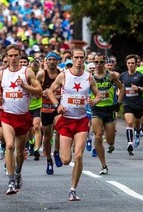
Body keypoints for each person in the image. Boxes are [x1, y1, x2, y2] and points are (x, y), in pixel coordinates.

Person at [45, 48, 101, 201]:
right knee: (65, 160)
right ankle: (60, 150)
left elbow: (98, 96)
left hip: (81, 120)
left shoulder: (89, 78)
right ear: (72, 58)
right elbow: (50, 91)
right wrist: (57, 105)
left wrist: (94, 101)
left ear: (84, 59)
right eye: (76, 57)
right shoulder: (64, 75)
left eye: (81, 57)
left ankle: (73, 189)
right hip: (66, 120)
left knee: (79, 155)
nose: (79, 60)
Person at [0, 44, 43, 195]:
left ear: (20, 56)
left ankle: (18, 173)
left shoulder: (27, 72)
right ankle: (11, 181)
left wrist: (26, 87)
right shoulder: (1, 74)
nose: (13, 58)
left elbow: (39, 91)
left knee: (20, 153)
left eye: (16, 55)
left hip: (23, 117)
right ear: (6, 58)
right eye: (10, 56)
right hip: (7, 116)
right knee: (9, 146)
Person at [90, 53, 124, 174]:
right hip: (96, 109)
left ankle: (111, 143)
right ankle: (103, 165)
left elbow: (122, 88)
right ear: (93, 63)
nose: (99, 65)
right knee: (98, 136)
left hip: (109, 110)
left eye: (101, 62)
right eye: (96, 62)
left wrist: (118, 103)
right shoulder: (90, 76)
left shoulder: (111, 75)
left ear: (105, 63)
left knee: (110, 141)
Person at [119, 54, 143, 155]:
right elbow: (119, 87)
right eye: (129, 63)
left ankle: (138, 132)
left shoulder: (141, 76)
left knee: (137, 124)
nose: (131, 65)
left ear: (136, 64)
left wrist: (139, 89)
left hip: (138, 104)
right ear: (126, 64)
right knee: (129, 122)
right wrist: (119, 93)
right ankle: (130, 143)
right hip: (127, 103)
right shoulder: (123, 76)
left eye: (132, 63)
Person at [36, 51, 63, 175]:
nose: (52, 62)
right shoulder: (42, 74)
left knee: (60, 130)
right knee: (47, 137)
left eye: (54, 60)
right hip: (46, 108)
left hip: (58, 107)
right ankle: (48, 160)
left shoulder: (62, 74)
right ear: (46, 61)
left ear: (57, 61)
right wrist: (42, 92)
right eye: (50, 59)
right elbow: (35, 89)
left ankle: (57, 152)